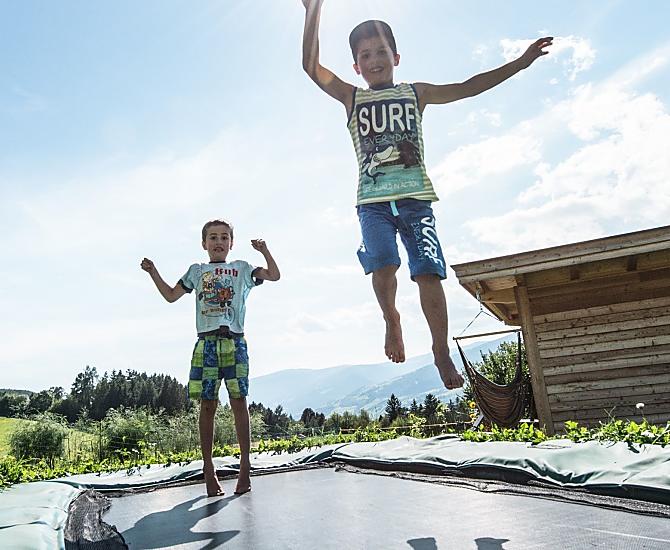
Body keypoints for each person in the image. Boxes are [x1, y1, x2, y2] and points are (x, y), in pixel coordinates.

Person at [301, 0, 551, 389]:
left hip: (416, 201)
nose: (374, 60)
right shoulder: (352, 98)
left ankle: (440, 350)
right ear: (356, 66)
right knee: (384, 264)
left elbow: (468, 87)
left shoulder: (416, 94)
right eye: (365, 55)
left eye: (381, 51)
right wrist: (312, 11)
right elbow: (311, 67)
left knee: (428, 271)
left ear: (396, 57)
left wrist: (520, 63)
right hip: (373, 204)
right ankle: (392, 320)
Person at [141, 219, 280, 496]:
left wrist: (264, 251)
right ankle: (208, 469)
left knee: (239, 402)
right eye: (213, 237)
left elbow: (274, 275)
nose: (219, 242)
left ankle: (245, 467)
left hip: (234, 342)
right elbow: (171, 295)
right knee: (207, 405)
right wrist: (153, 272)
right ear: (204, 243)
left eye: (224, 237)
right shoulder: (197, 271)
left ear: (231, 243)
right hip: (206, 344)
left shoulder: (242, 269)